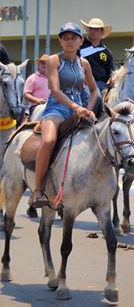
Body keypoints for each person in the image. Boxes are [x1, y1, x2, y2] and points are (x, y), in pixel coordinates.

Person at [30, 23, 99, 209]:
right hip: (57, 109)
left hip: (79, 110)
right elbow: (54, 89)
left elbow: (94, 91)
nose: (69, 41)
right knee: (49, 141)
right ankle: (37, 191)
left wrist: (89, 108)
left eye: (73, 38)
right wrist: (76, 107)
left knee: (101, 140)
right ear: (60, 41)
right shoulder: (54, 60)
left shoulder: (84, 63)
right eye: (65, 38)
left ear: (80, 41)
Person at [79, 17, 115, 113]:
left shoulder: (106, 51)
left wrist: (112, 79)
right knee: (97, 98)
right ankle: (84, 122)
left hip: (102, 84)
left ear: (102, 32)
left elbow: (112, 71)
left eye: (96, 29)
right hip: (83, 83)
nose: (92, 31)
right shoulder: (79, 46)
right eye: (90, 28)